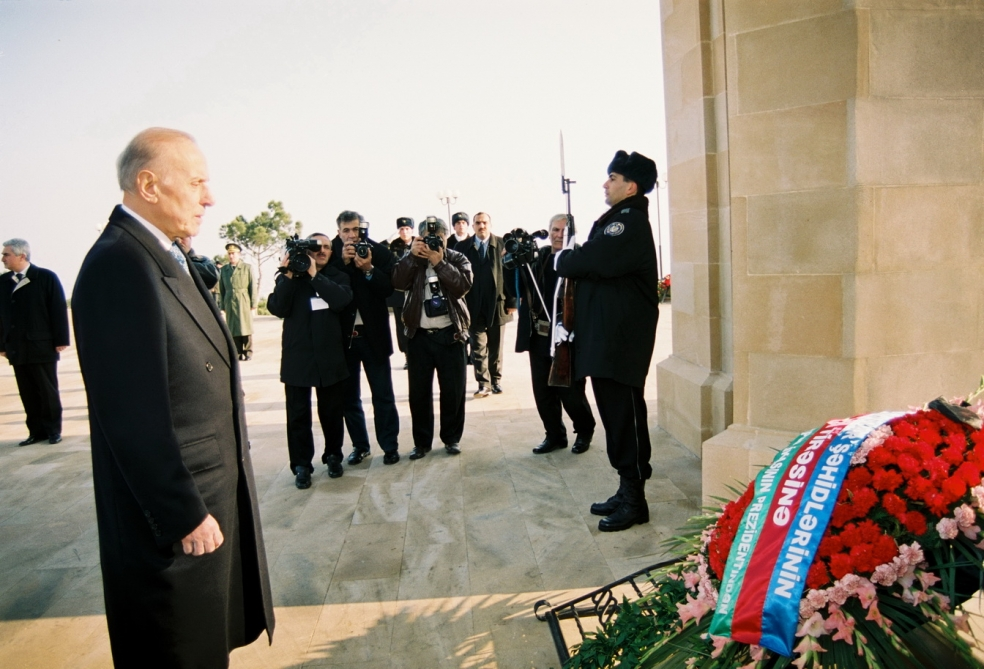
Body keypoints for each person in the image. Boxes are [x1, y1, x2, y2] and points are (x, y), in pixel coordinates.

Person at [72, 127, 274, 667]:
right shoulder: (120, 263)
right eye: (198, 182)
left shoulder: (161, 255)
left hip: (204, 503)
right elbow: (131, 414)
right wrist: (182, 512)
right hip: (176, 528)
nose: (209, 197)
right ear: (149, 184)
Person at [555, 150, 660, 533]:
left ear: (629, 186)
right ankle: (625, 488)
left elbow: (586, 261)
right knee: (616, 415)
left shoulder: (628, 222)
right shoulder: (619, 219)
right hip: (608, 337)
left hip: (620, 340)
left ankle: (635, 500)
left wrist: (566, 256)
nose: (605, 183)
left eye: (612, 178)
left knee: (624, 416)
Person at [266, 232, 352, 487]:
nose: (322, 251)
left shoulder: (338, 277)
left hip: (330, 358)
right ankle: (302, 465)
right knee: (298, 415)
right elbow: (277, 308)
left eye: (326, 247)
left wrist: (315, 276)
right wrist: (289, 274)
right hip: (297, 357)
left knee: (332, 412)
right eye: (316, 247)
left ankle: (333, 455)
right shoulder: (291, 278)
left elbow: (341, 301)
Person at [392, 216, 473, 460]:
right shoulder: (413, 260)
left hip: (451, 334)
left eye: (437, 237)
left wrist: (440, 263)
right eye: (427, 237)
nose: (432, 242)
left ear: (446, 237)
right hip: (420, 336)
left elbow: (463, 286)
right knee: (419, 394)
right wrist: (412, 257)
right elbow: (397, 282)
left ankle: (451, 438)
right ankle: (421, 443)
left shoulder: (457, 258)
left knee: (453, 391)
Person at [514, 216, 595, 455]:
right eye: (555, 229)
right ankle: (554, 435)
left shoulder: (582, 257)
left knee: (570, 391)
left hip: (567, 335)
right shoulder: (540, 256)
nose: (558, 234)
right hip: (539, 334)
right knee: (543, 391)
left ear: (573, 233)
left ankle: (584, 430)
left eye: (564, 230)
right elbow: (517, 286)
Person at [329, 211, 401, 466]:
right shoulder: (330, 252)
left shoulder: (376, 250)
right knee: (349, 398)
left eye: (356, 229)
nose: (352, 235)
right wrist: (343, 264)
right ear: (338, 232)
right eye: (346, 230)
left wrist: (369, 269)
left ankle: (390, 446)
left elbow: (389, 288)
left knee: (383, 394)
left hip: (374, 336)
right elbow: (324, 285)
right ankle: (360, 446)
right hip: (344, 339)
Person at [0, 239, 69, 446]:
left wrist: (61, 340)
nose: (3, 258)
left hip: (42, 346)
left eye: (6, 254)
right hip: (17, 348)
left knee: (47, 391)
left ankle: (53, 430)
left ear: (22, 256)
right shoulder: (3, 283)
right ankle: (36, 432)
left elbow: (57, 310)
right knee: (27, 392)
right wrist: (2, 345)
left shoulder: (45, 278)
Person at [460, 211, 515, 397]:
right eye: (477, 223)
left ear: (490, 224)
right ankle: (483, 384)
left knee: (496, 347)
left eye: (484, 223)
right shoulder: (463, 247)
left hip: (498, 305)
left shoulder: (502, 245)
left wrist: (512, 301)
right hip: (473, 306)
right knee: (477, 348)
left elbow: (511, 274)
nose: (481, 226)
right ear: (473, 226)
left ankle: (496, 380)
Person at [218, 242, 257, 360]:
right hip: (230, 300)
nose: (231, 256)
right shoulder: (224, 270)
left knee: (245, 326)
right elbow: (222, 289)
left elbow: (252, 287)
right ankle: (238, 352)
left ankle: (248, 351)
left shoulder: (247, 267)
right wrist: (222, 305)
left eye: (233, 253)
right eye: (229, 254)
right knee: (233, 327)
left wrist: (253, 304)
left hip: (243, 299)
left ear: (239, 254)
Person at [385, 217, 415, 370]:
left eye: (407, 229)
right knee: (401, 326)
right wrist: (390, 240)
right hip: (398, 294)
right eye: (401, 229)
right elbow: (380, 250)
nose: (404, 232)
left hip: (416, 292)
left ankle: (418, 354)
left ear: (412, 230)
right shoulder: (392, 246)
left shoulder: (418, 243)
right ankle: (407, 356)